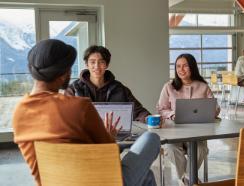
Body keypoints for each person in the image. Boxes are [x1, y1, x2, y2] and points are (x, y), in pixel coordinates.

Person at [12, 39, 160, 186]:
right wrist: (110, 137)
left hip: (55, 182)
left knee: (146, 175)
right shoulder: (79, 106)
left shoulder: (18, 113)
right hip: (101, 181)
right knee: (151, 138)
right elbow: (109, 157)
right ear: (64, 72)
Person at [157, 53, 220, 186]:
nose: (181, 69)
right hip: (175, 132)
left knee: (201, 149)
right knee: (171, 148)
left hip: (198, 133)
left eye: (185, 66)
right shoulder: (169, 86)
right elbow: (161, 109)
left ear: (192, 67)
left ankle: (185, 179)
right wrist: (172, 114)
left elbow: (215, 108)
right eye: (178, 66)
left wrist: (211, 111)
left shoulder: (203, 86)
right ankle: (189, 179)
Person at [65, 45, 150, 122]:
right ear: (87, 64)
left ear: (107, 65)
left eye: (101, 62)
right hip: (84, 136)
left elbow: (139, 111)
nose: (97, 66)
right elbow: (65, 116)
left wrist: (148, 118)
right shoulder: (74, 89)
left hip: (116, 135)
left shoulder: (120, 88)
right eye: (92, 62)